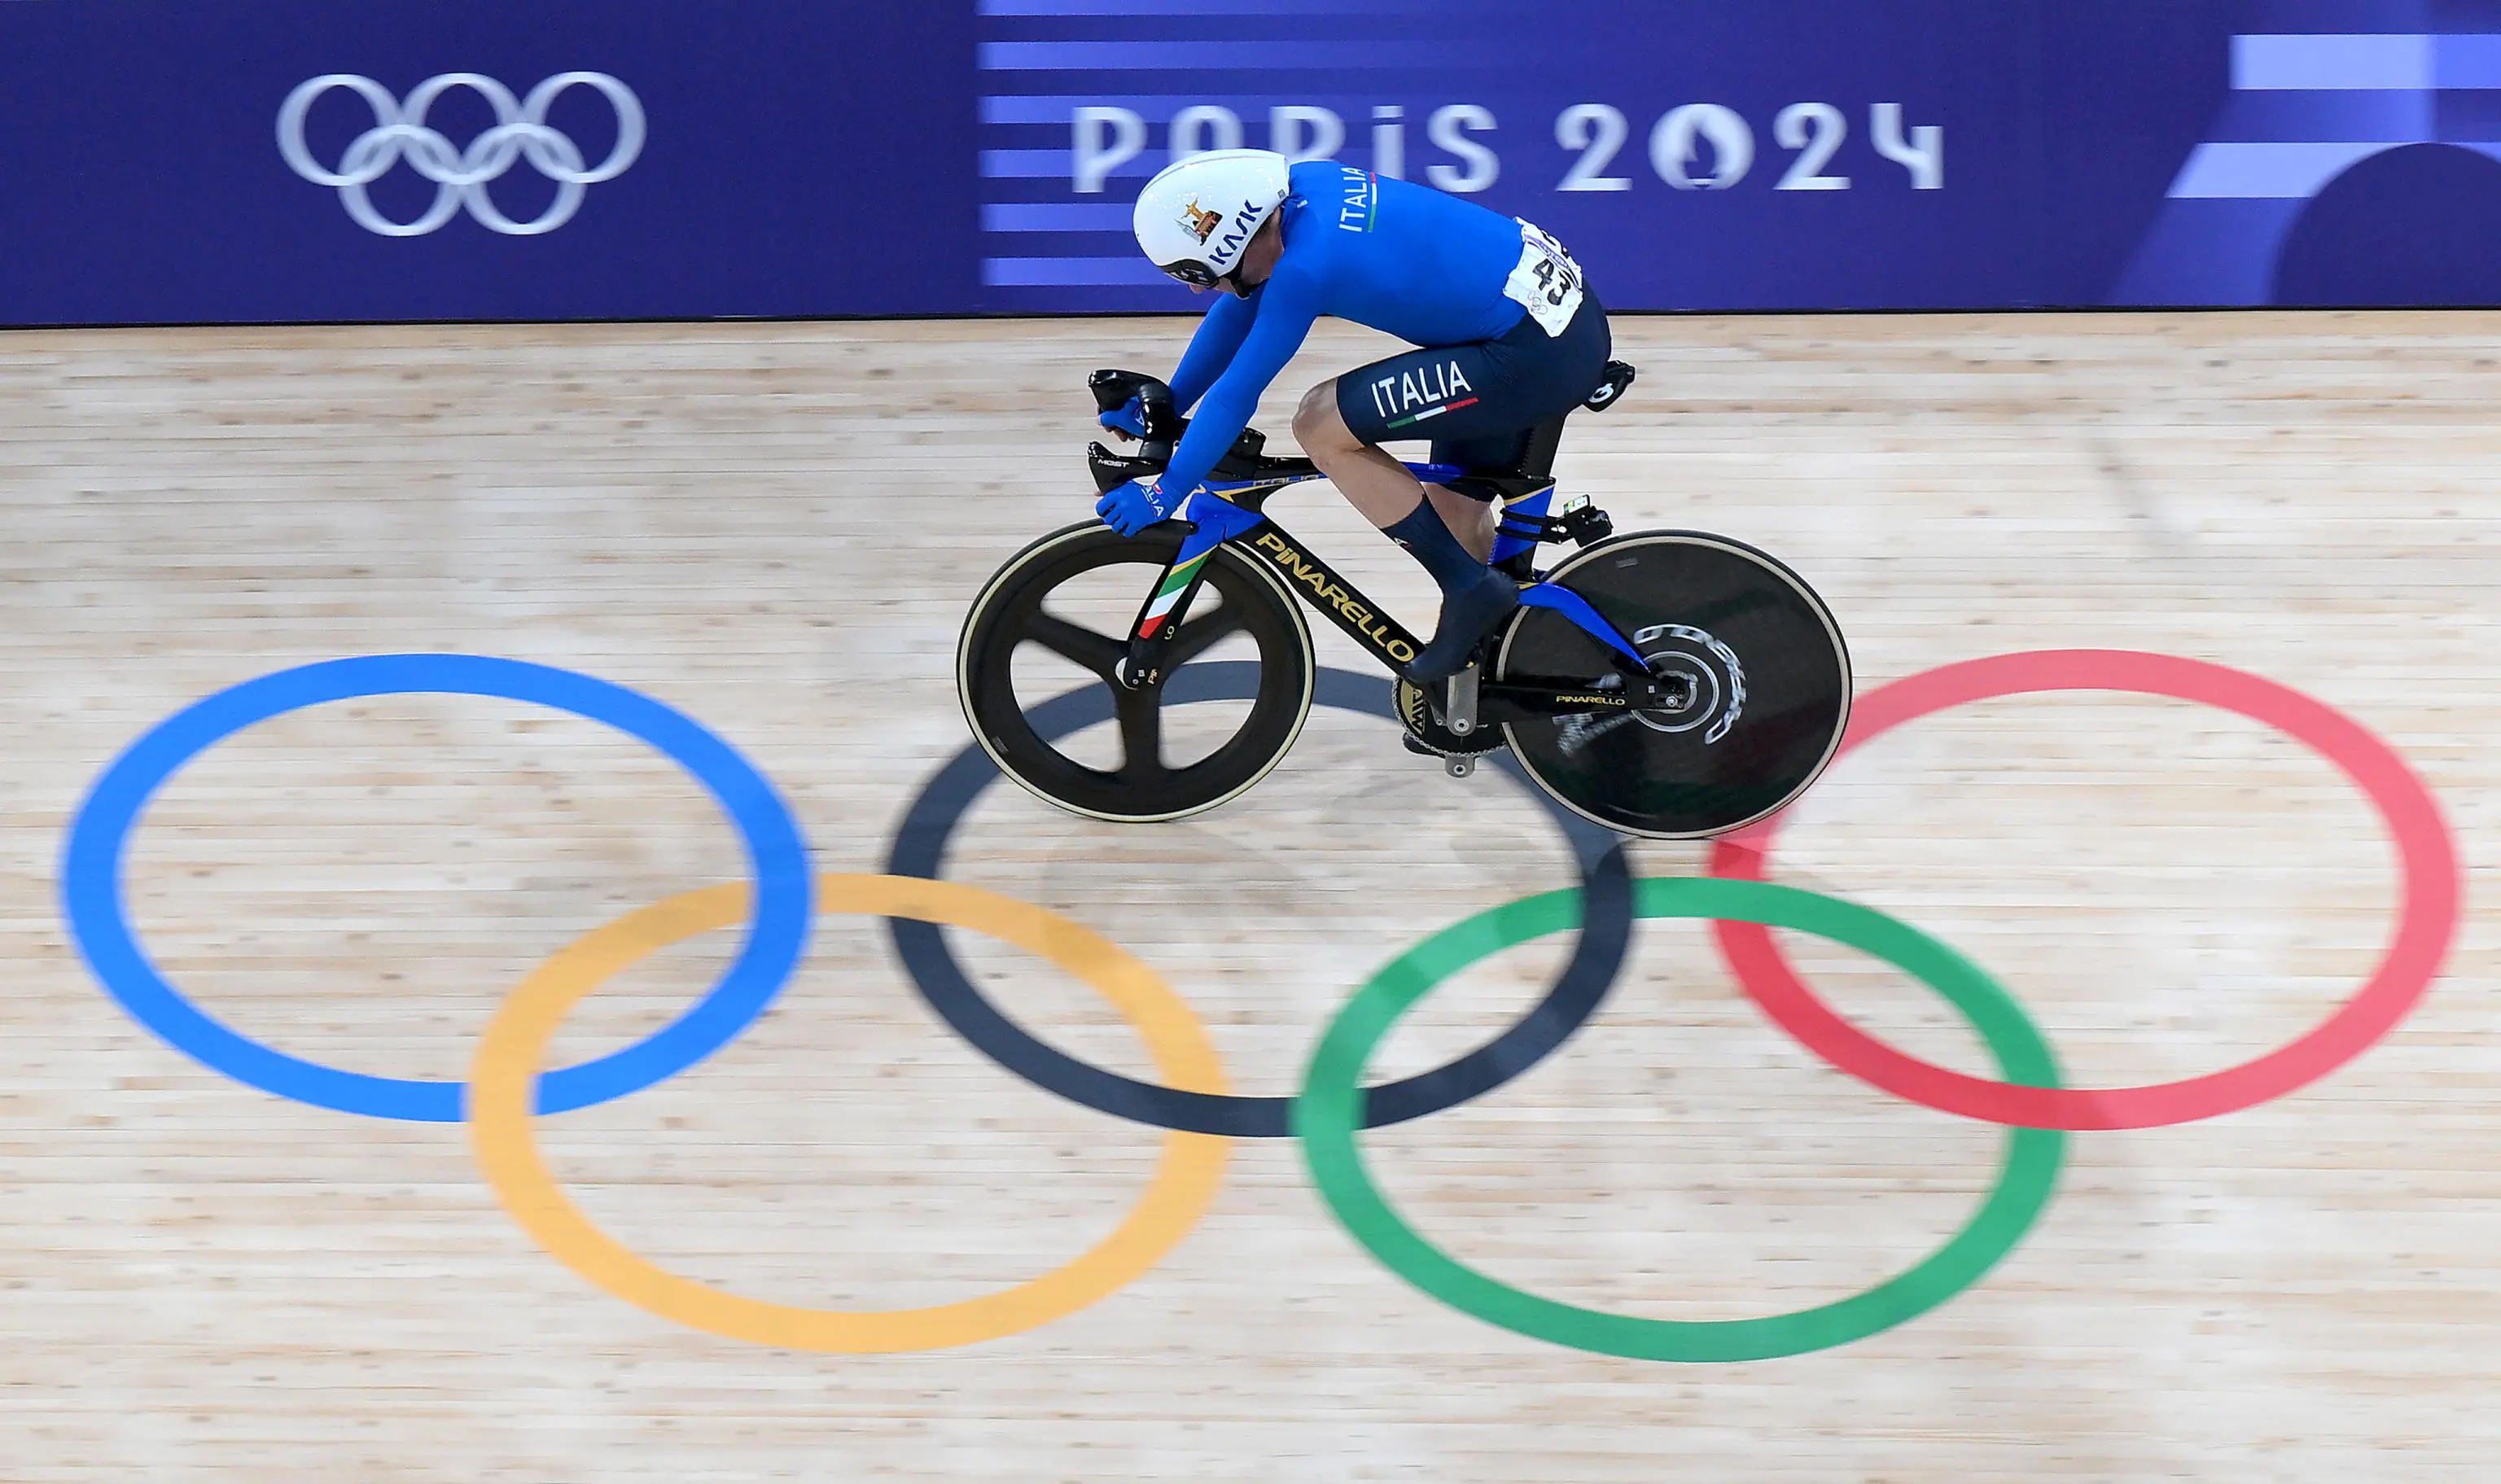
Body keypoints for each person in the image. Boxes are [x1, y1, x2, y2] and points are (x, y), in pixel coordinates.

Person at [1094, 147, 1612, 682]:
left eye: (1192, 270)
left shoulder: (1305, 267)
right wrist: (1172, 402)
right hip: (1543, 324)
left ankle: (1471, 589)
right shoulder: (1299, 194)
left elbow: (1236, 395)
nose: (1196, 287)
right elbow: (1240, 307)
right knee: (1455, 519)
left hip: (1526, 354)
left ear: (1231, 237)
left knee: (1320, 422)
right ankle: (1512, 666)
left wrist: (1167, 490)